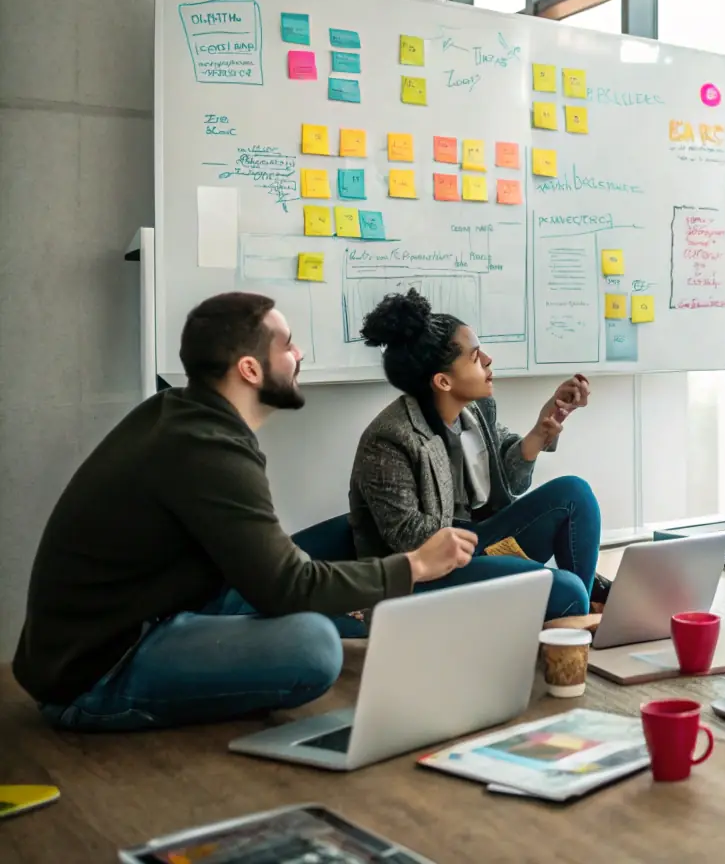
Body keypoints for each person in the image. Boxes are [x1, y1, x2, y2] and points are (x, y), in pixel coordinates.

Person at [12, 293, 472, 732]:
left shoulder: (185, 416)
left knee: (315, 563)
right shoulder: (207, 449)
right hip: (97, 672)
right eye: (287, 344)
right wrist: (415, 565)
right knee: (313, 647)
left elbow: (269, 568)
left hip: (151, 613)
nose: (300, 352)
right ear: (250, 369)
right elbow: (286, 585)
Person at [349, 289, 608, 620]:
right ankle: (576, 606)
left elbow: (509, 479)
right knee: (562, 589)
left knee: (574, 493)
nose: (487, 360)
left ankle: (578, 618)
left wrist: (542, 431)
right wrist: (486, 545)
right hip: (425, 574)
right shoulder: (390, 438)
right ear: (443, 381)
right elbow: (408, 540)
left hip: (479, 544)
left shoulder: (477, 409)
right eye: (474, 356)